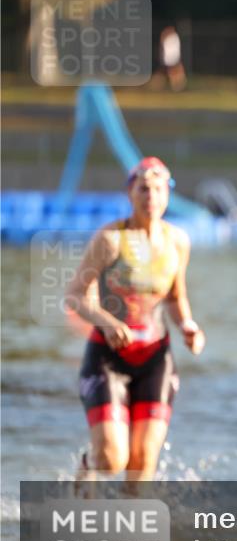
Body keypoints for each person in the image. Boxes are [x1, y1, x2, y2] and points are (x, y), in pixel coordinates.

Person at [66, 157, 205, 484]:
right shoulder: (110, 239)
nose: (151, 196)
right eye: (143, 188)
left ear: (168, 195)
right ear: (130, 192)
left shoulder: (178, 241)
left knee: (142, 467)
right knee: (113, 460)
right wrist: (106, 322)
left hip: (155, 357)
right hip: (108, 358)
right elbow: (74, 295)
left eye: (158, 189)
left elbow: (175, 296)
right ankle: (89, 465)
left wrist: (187, 324)